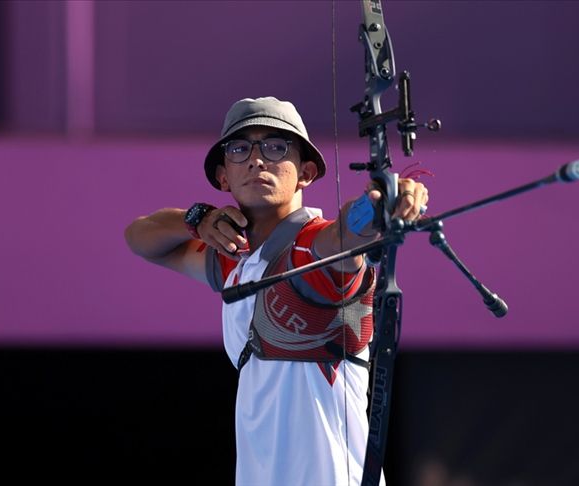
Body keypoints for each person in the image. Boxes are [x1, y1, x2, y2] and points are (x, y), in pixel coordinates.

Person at [124, 96, 428, 486]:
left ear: (306, 172)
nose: (256, 159)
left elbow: (350, 231)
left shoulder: (317, 250)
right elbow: (140, 237)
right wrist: (197, 219)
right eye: (240, 149)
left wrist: (383, 202)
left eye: (275, 147)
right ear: (223, 177)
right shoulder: (233, 259)